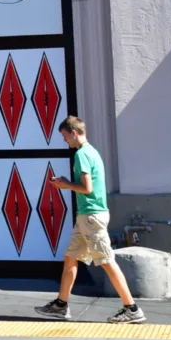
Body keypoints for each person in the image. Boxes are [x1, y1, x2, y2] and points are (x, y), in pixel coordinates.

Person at [35, 116, 146, 324]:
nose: (65, 141)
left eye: (65, 136)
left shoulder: (81, 154)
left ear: (74, 133)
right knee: (70, 257)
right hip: (87, 216)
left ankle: (132, 308)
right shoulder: (92, 152)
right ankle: (61, 305)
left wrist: (65, 184)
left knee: (106, 261)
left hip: (91, 217)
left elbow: (87, 188)